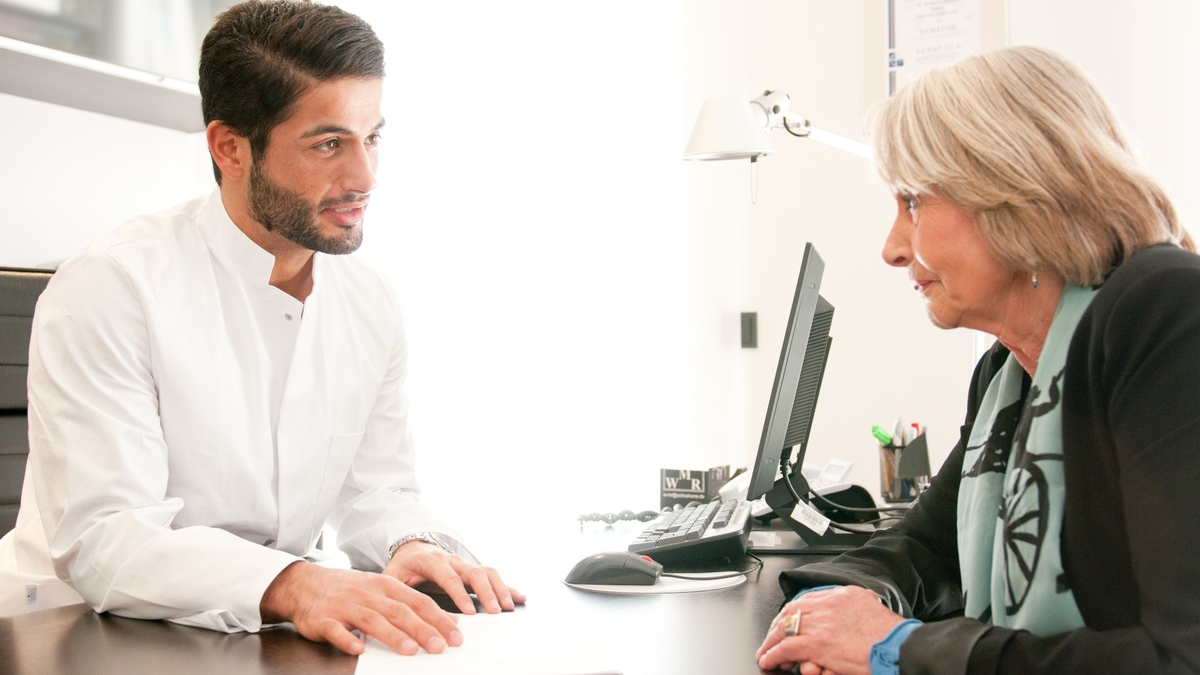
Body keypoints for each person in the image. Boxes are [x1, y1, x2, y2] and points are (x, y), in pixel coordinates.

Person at [0, 0, 525, 657]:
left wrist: (410, 543)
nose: (365, 176)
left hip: (257, 636)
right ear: (231, 148)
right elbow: (110, 539)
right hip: (67, 634)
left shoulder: (370, 300)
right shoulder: (110, 286)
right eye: (329, 143)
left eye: (373, 137)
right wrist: (298, 584)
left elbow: (377, 489)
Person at [756, 45, 1200, 675]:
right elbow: (922, 547)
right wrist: (836, 607)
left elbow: (1182, 658)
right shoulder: (1009, 374)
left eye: (913, 202)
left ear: (1015, 194)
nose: (892, 247)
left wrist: (898, 648)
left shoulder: (1166, 313)